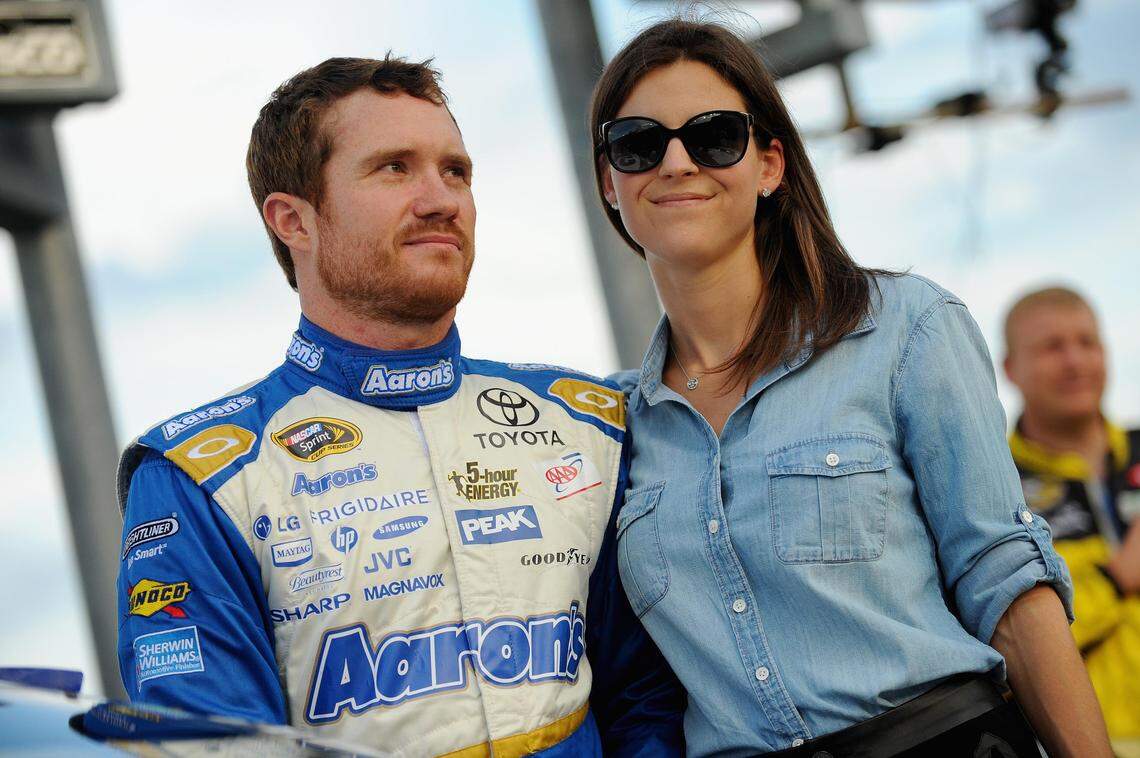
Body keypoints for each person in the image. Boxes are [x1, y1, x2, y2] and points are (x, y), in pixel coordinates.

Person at [115, 55, 683, 756]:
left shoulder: (587, 425)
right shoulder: (200, 478)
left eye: (456, 171)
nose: (440, 197)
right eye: (393, 168)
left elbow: (652, 700)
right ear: (293, 219)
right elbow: (211, 745)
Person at [588, 19, 1113, 757]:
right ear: (611, 180)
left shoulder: (904, 328)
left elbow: (1005, 582)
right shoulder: (610, 429)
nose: (676, 162)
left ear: (769, 165)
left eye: (713, 136)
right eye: (640, 142)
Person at [1004, 286, 1140, 751]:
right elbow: (1006, 642)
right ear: (1010, 369)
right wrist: (1117, 576)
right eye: (1052, 347)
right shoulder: (995, 487)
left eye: (1087, 343)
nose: (1074, 361)